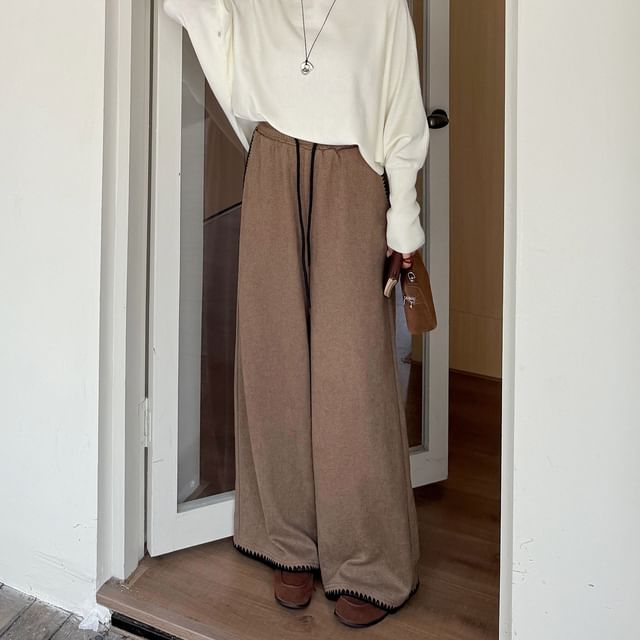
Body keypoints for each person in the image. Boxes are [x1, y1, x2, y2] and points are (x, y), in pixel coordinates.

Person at [163, 0, 430, 628]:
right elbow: (208, 30)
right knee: (275, 356)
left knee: (352, 373)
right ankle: (289, 540)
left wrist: (404, 219)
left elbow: (402, 116)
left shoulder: (384, 8)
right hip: (273, 163)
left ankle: (368, 558)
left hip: (353, 177)